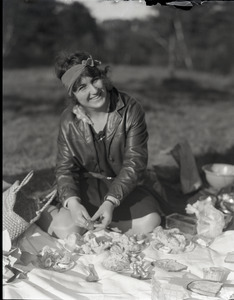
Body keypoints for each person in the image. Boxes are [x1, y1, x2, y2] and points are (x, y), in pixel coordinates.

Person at [37, 50, 162, 239]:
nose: (94, 90)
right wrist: (73, 203)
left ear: (103, 76)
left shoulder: (130, 109)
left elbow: (134, 163)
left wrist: (111, 202)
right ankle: (74, 219)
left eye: (95, 80)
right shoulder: (68, 120)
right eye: (82, 87)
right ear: (73, 95)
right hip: (85, 185)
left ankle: (97, 227)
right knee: (65, 229)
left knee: (151, 221)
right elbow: (65, 169)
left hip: (123, 188)